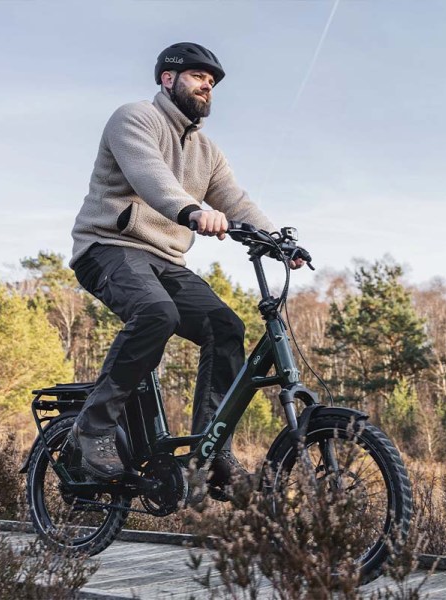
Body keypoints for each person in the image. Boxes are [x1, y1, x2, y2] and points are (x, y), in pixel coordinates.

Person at [67, 42, 300, 499]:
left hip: (165, 259)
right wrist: (191, 210)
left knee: (226, 327)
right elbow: (150, 175)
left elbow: (236, 199)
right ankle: (91, 429)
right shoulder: (134, 118)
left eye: (211, 83)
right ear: (168, 79)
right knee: (157, 313)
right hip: (109, 247)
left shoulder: (207, 151)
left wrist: (279, 241)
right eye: (198, 77)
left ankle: (211, 456)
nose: (206, 87)